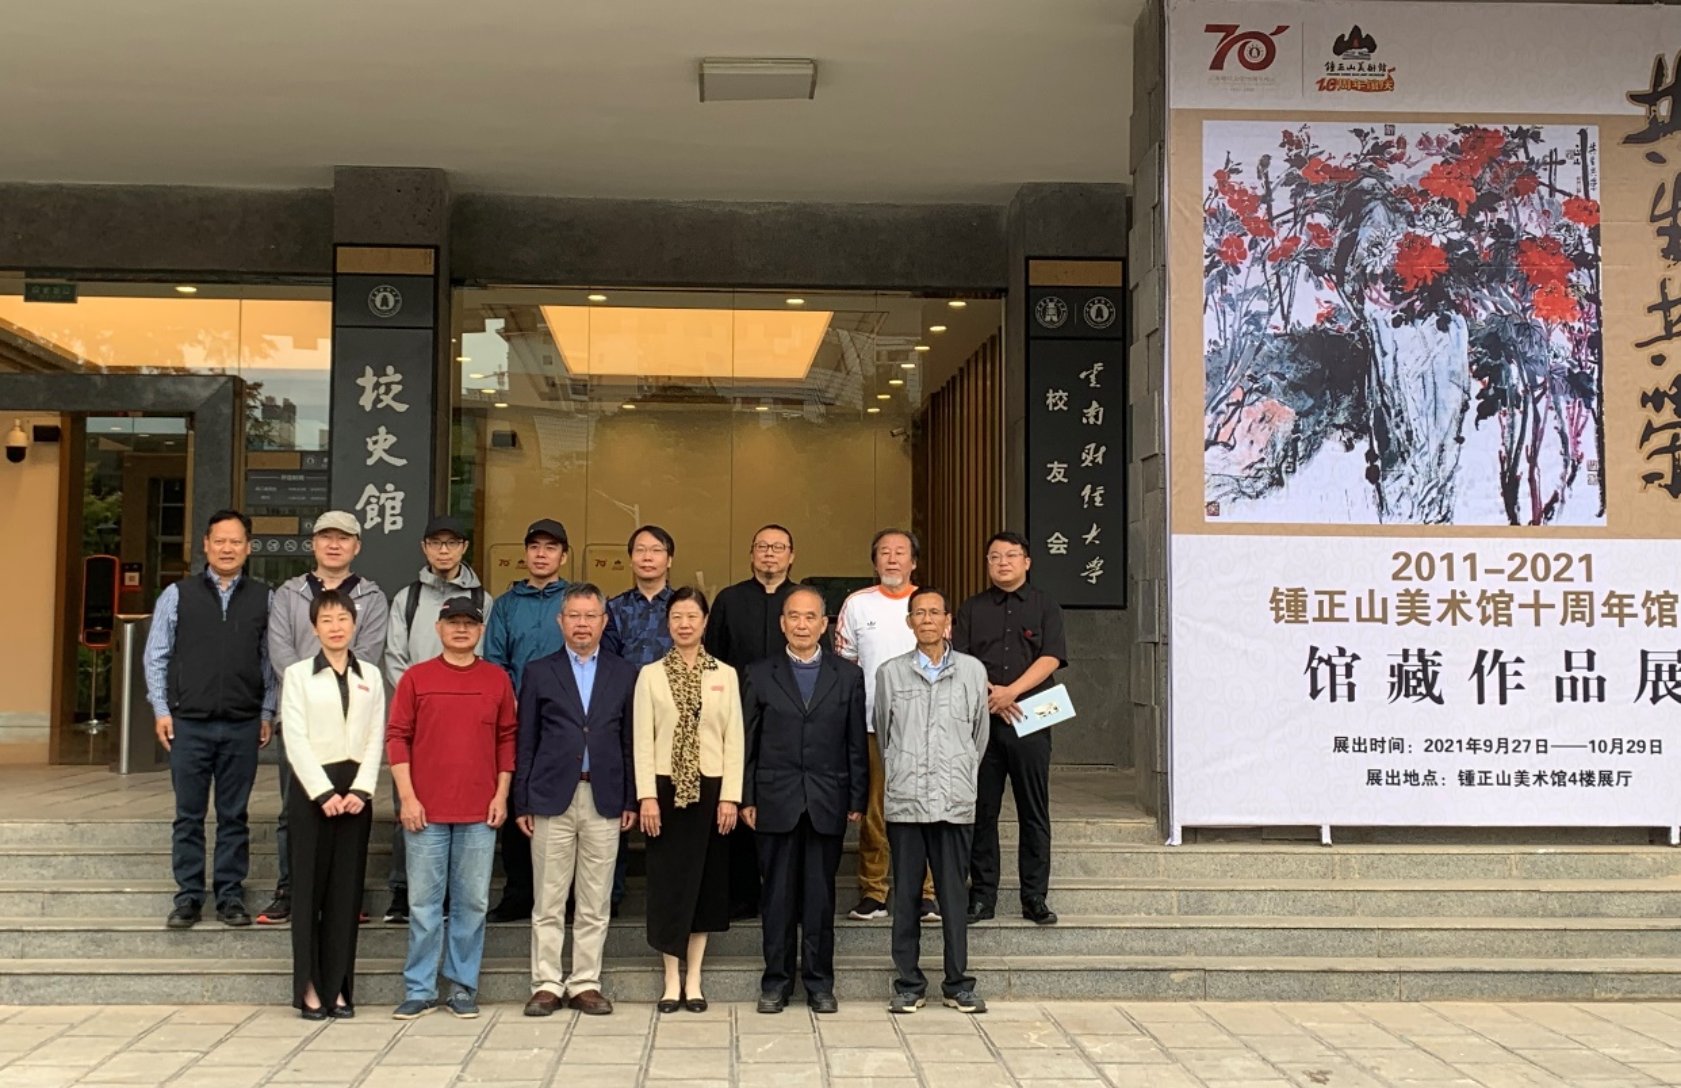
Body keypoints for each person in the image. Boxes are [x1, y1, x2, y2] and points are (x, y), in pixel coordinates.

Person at [386, 596, 517, 1020]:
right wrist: (407, 797)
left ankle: (462, 986)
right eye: (453, 622)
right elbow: (397, 737)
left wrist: (501, 795)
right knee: (424, 905)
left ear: (481, 631)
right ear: (438, 629)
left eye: (469, 624)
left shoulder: (496, 679)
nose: (461, 630)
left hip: (480, 811)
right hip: (425, 811)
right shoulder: (416, 678)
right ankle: (420, 988)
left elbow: (507, 739)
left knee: (472, 903)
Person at [483, 518, 619, 923]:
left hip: (574, 718)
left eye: (550, 547)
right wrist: (515, 702)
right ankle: (519, 891)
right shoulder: (507, 605)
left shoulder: (578, 600)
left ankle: (578, 898)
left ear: (563, 555)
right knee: (523, 799)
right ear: (525, 554)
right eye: (535, 547)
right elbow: (495, 660)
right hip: (522, 714)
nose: (541, 554)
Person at [146, 509, 276, 929]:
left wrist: (267, 711)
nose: (227, 548)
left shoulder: (264, 597)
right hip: (190, 724)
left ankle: (230, 895)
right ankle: (188, 896)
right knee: (188, 815)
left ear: (248, 548)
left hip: (242, 723)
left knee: (234, 815)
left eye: (236, 541)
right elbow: (157, 655)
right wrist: (161, 709)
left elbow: (270, 661)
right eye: (220, 540)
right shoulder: (177, 594)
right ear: (205, 544)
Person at [259, 510, 389, 927]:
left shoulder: (371, 597)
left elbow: (367, 653)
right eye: (326, 537)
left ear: (357, 546)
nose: (335, 545)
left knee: (349, 806)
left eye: (344, 538)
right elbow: (280, 651)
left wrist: (335, 689)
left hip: (351, 721)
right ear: (313, 544)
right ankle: (290, 889)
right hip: (300, 716)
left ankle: (345, 894)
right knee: (294, 808)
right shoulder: (289, 593)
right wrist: (311, 688)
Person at [741, 587, 867, 1015]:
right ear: (782, 623)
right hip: (774, 799)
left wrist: (857, 795)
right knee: (776, 897)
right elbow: (747, 742)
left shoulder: (847, 676)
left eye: (810, 617)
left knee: (820, 898)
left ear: (824, 623)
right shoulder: (760, 673)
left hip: (827, 799)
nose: (801, 624)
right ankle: (775, 983)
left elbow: (855, 742)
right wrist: (746, 796)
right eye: (793, 616)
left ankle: (819, 983)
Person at [516, 583, 638, 1018]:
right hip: (551, 797)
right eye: (574, 616)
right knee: (548, 898)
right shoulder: (538, 672)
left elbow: (629, 741)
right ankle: (547, 983)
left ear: (604, 622)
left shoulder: (624, 673)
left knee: (595, 898)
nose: (582, 624)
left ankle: (586, 982)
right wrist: (522, 800)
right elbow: (526, 740)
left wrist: (630, 798)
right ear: (560, 621)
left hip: (604, 796)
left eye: (590, 616)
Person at [875, 588, 989, 1015]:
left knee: (953, 897)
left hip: (954, 802)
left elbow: (979, 735)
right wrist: (904, 770)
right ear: (909, 623)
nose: (927, 619)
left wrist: (959, 771)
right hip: (906, 801)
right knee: (905, 896)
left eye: (934, 612)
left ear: (947, 621)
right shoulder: (890, 673)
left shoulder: (972, 671)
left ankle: (958, 983)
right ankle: (908, 983)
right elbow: (884, 734)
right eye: (918, 613)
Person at [381, 514, 495, 925]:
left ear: (464, 547)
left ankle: (450, 896)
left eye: (451, 543)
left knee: (464, 810)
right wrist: (422, 697)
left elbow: (489, 657)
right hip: (420, 716)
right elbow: (395, 655)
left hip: (467, 719)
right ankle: (402, 890)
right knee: (409, 805)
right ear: (424, 548)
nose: (443, 550)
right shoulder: (407, 598)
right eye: (435, 543)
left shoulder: (482, 599)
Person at [634, 587, 743, 1014]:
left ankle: (693, 978)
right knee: (668, 884)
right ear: (668, 622)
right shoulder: (650, 675)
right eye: (677, 616)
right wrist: (646, 796)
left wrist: (730, 797)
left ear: (705, 622)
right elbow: (643, 740)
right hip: (664, 790)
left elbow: (734, 739)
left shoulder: (725, 674)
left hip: (712, 789)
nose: (684, 624)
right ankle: (670, 978)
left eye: (692, 616)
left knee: (705, 883)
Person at [278, 589, 386, 1019]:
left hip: (355, 792)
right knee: (308, 891)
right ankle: (308, 986)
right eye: (326, 620)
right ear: (314, 628)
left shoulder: (370, 675)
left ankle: (338, 986)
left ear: (354, 624)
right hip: (312, 791)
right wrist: (322, 792)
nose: (336, 627)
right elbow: (295, 738)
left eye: (343, 618)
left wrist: (361, 790)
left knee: (345, 893)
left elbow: (375, 735)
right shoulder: (298, 674)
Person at [955, 531, 1068, 927]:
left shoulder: (1045, 605)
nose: (1002, 562)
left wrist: (1011, 692)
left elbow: (1051, 657)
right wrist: (993, 695)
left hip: (1031, 716)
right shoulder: (971, 608)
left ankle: (1034, 897)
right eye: (994, 556)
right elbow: (961, 660)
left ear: (1027, 562)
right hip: (984, 719)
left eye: (1011, 555)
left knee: (1033, 810)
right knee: (982, 810)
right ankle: (982, 896)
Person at [834, 528, 936, 924]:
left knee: (924, 808)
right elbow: (845, 666)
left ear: (914, 561)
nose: (892, 559)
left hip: (923, 727)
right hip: (871, 724)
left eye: (901, 552)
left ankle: (926, 893)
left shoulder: (928, 603)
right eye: (884, 553)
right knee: (874, 811)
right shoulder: (857, 604)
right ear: (874, 561)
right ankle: (873, 891)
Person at [703, 524, 803, 919]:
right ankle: (743, 893)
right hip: (736, 716)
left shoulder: (801, 601)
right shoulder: (729, 600)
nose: (769, 553)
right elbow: (713, 658)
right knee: (738, 796)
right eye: (762, 546)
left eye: (778, 547)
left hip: (790, 721)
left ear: (791, 556)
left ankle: (786, 893)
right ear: (751, 554)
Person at [601, 524, 677, 917]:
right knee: (616, 805)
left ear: (669, 559)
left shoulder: (682, 607)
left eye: (656, 550)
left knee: (667, 804)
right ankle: (610, 894)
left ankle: (665, 896)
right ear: (630, 559)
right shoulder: (612, 610)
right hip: (621, 716)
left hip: (672, 721)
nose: (648, 557)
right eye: (640, 550)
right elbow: (606, 664)